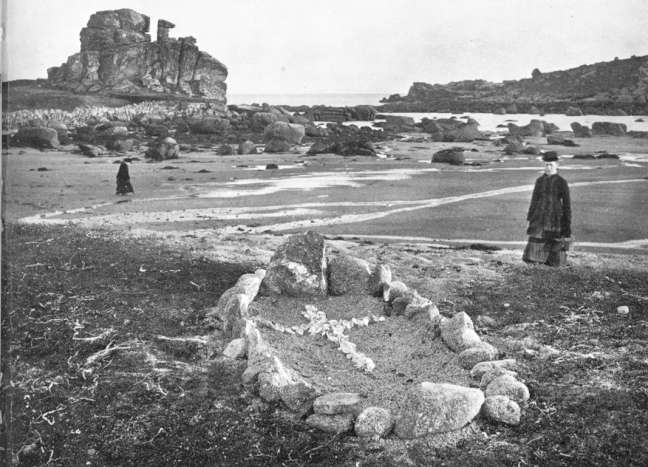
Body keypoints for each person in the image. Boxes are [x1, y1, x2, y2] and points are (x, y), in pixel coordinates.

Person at [523, 152, 572, 266]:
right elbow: (534, 200)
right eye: (546, 165)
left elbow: (567, 204)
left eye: (551, 165)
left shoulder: (562, 182)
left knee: (555, 243)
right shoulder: (539, 181)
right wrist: (530, 218)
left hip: (555, 217)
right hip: (539, 215)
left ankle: (552, 262)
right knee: (536, 238)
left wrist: (567, 225)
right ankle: (536, 261)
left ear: (557, 165)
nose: (548, 167)